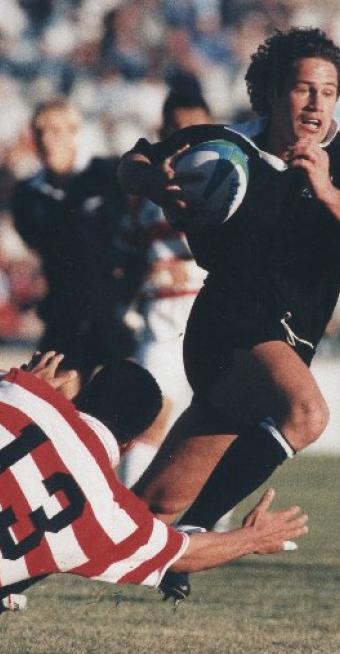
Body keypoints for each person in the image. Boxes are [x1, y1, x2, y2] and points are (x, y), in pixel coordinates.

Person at [118, 27, 340, 596]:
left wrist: (328, 193)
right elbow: (134, 162)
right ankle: (198, 537)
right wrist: (151, 180)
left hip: (279, 350)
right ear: (272, 94)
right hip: (228, 328)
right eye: (302, 89)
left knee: (145, 511)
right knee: (306, 413)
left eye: (328, 91)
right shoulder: (225, 146)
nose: (317, 103)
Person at [0, 351, 307, 648]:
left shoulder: (20, 399)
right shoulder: (109, 516)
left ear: (82, 397)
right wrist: (252, 538)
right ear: (132, 443)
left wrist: (31, 383)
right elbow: (183, 554)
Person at [119, 89, 212, 487]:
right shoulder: (144, 194)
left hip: (213, 315)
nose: (186, 137)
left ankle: (204, 523)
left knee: (210, 427)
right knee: (149, 420)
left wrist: (187, 274)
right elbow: (126, 255)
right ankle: (131, 520)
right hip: (163, 323)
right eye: (176, 129)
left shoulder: (226, 178)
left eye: (195, 127)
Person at [12, 98, 137, 387]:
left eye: (55, 130)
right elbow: (36, 245)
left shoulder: (108, 176)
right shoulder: (27, 195)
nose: (46, 139)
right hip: (63, 313)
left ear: (74, 133)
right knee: (55, 396)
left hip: (114, 312)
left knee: (113, 402)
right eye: (39, 131)